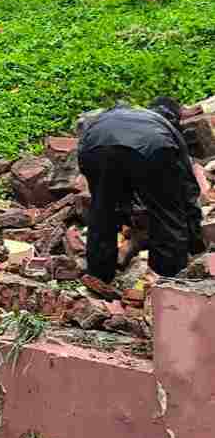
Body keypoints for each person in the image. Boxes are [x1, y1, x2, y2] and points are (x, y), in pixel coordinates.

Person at [78, 97, 206, 298]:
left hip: (94, 144)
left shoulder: (121, 113)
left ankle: (99, 275)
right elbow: (187, 190)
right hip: (152, 147)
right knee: (167, 214)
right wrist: (196, 239)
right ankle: (169, 280)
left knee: (103, 210)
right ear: (174, 119)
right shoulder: (165, 129)